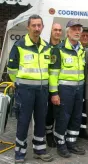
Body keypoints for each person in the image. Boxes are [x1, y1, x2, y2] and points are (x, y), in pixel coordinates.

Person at [7, 14, 53, 163]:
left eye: (39, 25)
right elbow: (11, 69)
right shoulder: (20, 45)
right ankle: (19, 153)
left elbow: (51, 70)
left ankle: (39, 150)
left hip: (42, 91)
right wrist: (20, 83)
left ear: (43, 27)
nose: (36, 28)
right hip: (24, 91)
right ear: (28, 27)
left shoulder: (47, 47)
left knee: (40, 120)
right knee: (23, 121)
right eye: (33, 25)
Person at [49, 20, 86, 158]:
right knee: (63, 117)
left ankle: (71, 142)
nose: (77, 32)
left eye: (79, 29)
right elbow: (52, 74)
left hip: (79, 89)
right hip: (64, 90)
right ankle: (60, 143)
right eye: (74, 29)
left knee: (76, 117)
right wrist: (54, 93)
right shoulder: (58, 49)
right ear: (68, 32)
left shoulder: (81, 50)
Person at [46, 23, 62, 148]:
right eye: (55, 30)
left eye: (59, 30)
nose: (57, 32)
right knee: (49, 112)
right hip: (48, 86)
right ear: (51, 31)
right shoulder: (45, 47)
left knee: (59, 112)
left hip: (62, 86)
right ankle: (48, 133)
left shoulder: (64, 47)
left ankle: (58, 133)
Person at [79, 26, 88, 139]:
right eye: (83, 35)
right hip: (77, 84)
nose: (85, 37)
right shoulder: (76, 49)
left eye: (87, 36)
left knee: (85, 109)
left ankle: (83, 130)